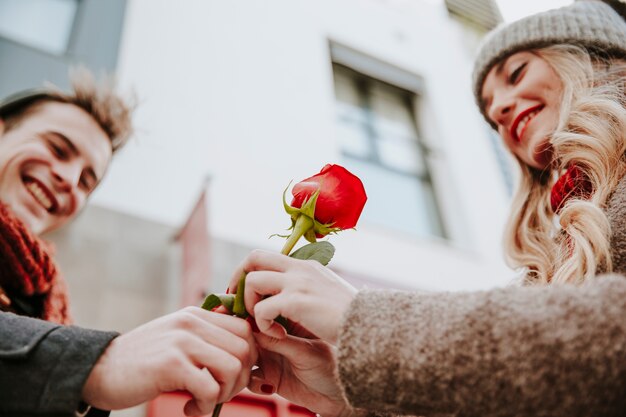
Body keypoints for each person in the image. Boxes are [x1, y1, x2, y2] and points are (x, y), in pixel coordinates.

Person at [228, 1, 626, 416]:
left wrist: (361, 320)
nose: (499, 109)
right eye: (490, 114)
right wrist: (348, 401)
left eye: (516, 73)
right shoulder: (554, 242)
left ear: (591, 58)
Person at [0, 73, 257, 417]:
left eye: (86, 181)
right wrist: (97, 363)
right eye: (58, 148)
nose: (69, 180)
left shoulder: (47, 299)